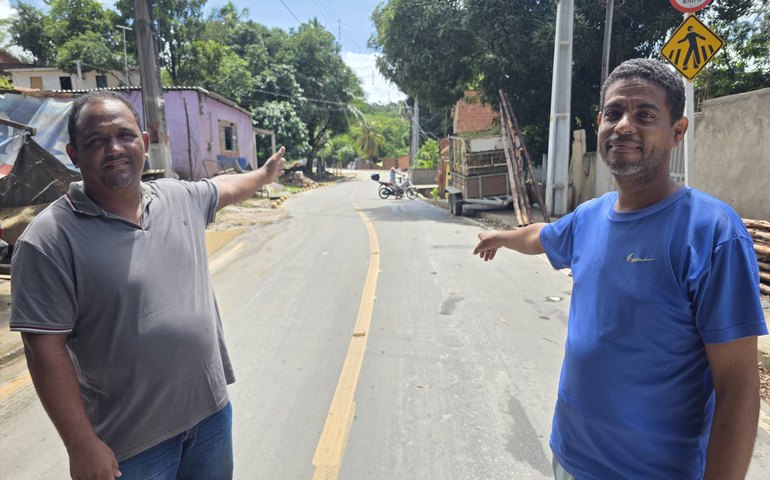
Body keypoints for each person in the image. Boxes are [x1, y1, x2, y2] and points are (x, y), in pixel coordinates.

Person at [474, 58, 767, 479]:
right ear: (600, 124)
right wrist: (501, 237)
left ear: (677, 132)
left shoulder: (712, 232)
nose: (624, 125)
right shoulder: (588, 217)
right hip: (569, 458)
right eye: (614, 113)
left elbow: (738, 389)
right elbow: (541, 237)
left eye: (645, 114)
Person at [10, 90, 285, 479]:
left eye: (125, 135)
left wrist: (265, 174)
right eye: (96, 141)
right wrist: (81, 444)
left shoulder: (178, 197)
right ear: (73, 154)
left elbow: (228, 188)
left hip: (210, 417)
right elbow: (43, 350)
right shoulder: (48, 240)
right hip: (133, 445)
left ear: (145, 140)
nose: (114, 148)